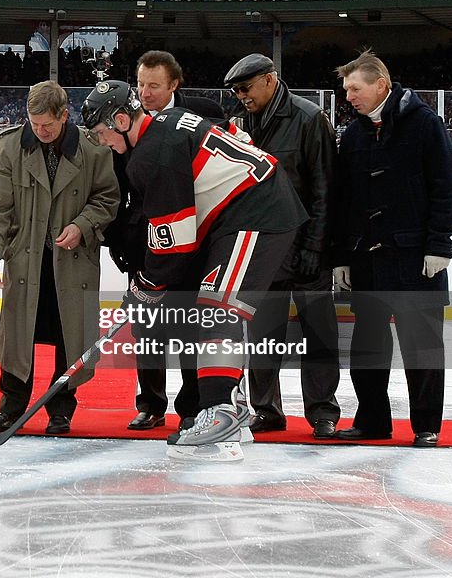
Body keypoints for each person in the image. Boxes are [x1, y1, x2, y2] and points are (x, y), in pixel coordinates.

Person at [82, 79, 306, 460]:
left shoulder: (149, 155)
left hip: (254, 210)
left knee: (217, 308)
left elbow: (176, 240)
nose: (102, 142)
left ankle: (219, 415)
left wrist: (145, 286)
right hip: (249, 205)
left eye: (101, 132)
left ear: (121, 120)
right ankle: (228, 409)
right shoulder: (171, 119)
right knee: (215, 307)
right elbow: (234, 138)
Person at [332, 49, 452, 448]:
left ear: (381, 85)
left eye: (355, 89)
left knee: (421, 347)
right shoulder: (352, 135)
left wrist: (439, 243)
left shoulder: (424, 124)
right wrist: (341, 256)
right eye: (345, 90)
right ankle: (372, 420)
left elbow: (447, 187)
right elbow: (343, 202)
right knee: (368, 348)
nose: (348, 97)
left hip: (415, 259)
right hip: (367, 261)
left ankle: (427, 425)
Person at [0, 81, 119, 437]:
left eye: (48, 125)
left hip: (73, 262)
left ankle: (61, 412)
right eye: (33, 123)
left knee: (69, 338)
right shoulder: (10, 146)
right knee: (16, 338)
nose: (40, 131)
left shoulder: (93, 150)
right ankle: (9, 409)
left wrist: (82, 225)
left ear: (64, 116)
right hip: (25, 262)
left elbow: (107, 199)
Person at [225, 53, 341, 439]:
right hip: (264, 250)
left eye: (245, 88)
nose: (240, 96)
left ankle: (323, 412)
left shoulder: (309, 119)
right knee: (262, 336)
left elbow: (326, 190)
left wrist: (315, 248)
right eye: (236, 90)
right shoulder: (239, 123)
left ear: (270, 80)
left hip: (308, 248)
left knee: (319, 335)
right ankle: (266, 410)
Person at [111, 50, 228, 432]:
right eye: (141, 84)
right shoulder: (124, 120)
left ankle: (192, 406)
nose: (145, 93)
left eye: (154, 86)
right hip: (145, 246)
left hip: (192, 245)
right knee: (147, 331)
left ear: (174, 85)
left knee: (190, 330)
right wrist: (120, 238)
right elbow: (118, 185)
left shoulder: (204, 112)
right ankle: (150, 404)